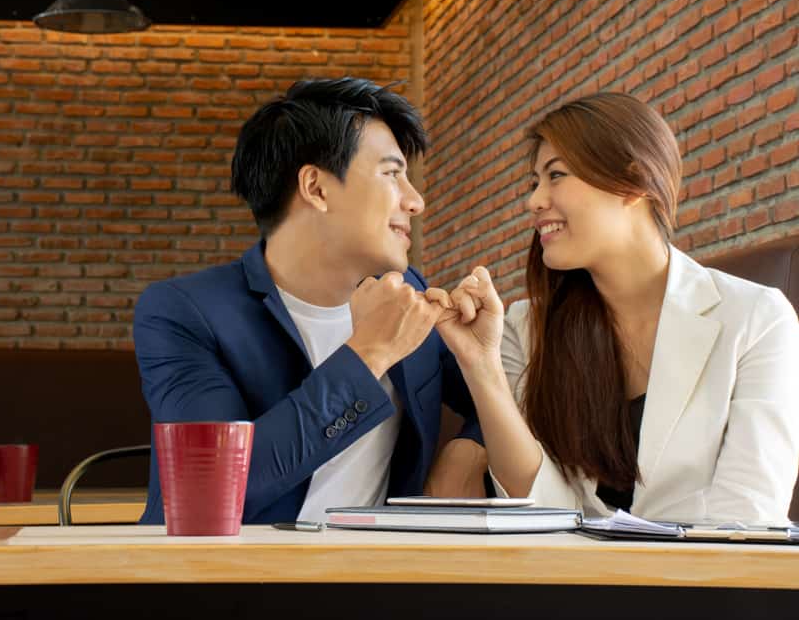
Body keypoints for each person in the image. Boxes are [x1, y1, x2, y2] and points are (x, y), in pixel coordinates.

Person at [427, 92, 799, 524]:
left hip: (708, 585)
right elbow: (537, 506)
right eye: (535, 182)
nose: (534, 201)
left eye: (556, 176)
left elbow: (748, 514)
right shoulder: (526, 326)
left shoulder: (755, 319)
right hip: (568, 582)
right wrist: (480, 364)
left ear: (633, 183)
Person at [133, 77, 486, 525]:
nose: (415, 201)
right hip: (234, 583)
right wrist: (369, 353)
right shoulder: (184, 311)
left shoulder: (407, 293)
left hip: (385, 581)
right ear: (316, 188)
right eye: (392, 175)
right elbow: (208, 489)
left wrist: (469, 452)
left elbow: (505, 400)